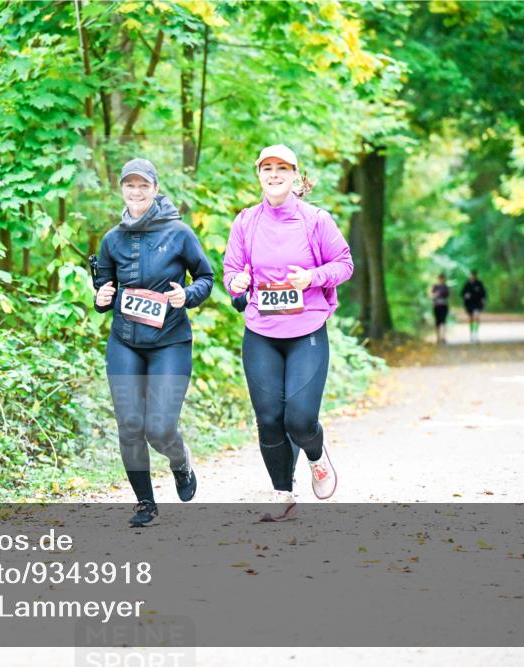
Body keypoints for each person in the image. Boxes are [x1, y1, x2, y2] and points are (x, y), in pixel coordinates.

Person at [223, 144, 353, 521]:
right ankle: (283, 494)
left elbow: (344, 264)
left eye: (283, 168)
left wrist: (313, 277)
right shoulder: (246, 221)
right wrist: (238, 281)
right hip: (261, 331)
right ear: (259, 175)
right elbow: (230, 273)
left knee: (298, 417)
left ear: (296, 175)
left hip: (307, 328)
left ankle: (316, 456)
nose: (275, 174)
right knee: (268, 417)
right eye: (268, 168)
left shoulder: (315, 220)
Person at [93, 158, 214, 527]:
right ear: (122, 190)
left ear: (155, 189)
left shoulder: (179, 233)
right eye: (130, 185)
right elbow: (104, 287)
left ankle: (181, 462)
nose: (136, 191)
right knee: (130, 424)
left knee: (159, 427)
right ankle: (145, 502)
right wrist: (100, 298)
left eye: (143, 185)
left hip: (170, 341)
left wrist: (187, 296)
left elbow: (206, 277)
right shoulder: (112, 239)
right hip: (125, 340)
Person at [461, 269, 487, 343]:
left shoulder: (479, 283)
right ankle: (472, 334)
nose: (473, 276)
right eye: (472, 275)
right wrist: (465, 296)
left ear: (476, 275)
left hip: (477, 304)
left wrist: (483, 300)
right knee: (471, 319)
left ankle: (476, 334)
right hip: (469, 304)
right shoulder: (467, 284)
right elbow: (462, 293)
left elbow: (484, 293)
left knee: (476, 317)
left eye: (474, 275)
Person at [430, 273, 450, 344]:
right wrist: (435, 295)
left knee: (443, 321)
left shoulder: (446, 287)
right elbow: (431, 295)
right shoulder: (435, 286)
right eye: (440, 278)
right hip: (437, 306)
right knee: (437, 322)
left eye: (442, 278)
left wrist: (437, 294)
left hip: (444, 306)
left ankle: (443, 337)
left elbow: (447, 294)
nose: (441, 280)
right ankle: (438, 337)